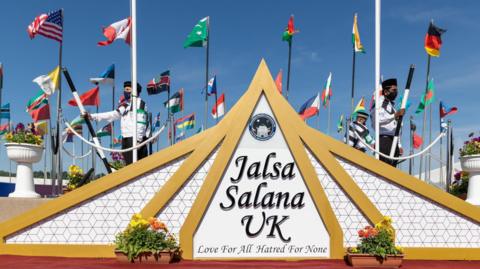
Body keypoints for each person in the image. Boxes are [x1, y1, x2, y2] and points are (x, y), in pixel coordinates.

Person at [90, 81, 149, 165]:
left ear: (134, 91)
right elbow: (113, 114)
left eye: (128, 89)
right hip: (125, 139)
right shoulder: (125, 105)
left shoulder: (140, 103)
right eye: (124, 89)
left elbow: (141, 122)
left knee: (137, 167)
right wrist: (92, 116)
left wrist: (138, 141)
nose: (125, 92)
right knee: (129, 166)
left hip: (135, 139)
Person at [371, 78, 404, 167]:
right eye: (393, 90)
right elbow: (377, 120)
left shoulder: (391, 106)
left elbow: (397, 127)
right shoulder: (380, 103)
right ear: (386, 91)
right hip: (384, 141)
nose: (396, 92)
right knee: (383, 170)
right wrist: (394, 115)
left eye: (396, 90)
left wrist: (399, 144)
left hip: (394, 141)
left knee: (391, 173)